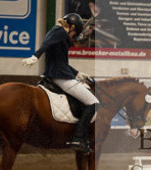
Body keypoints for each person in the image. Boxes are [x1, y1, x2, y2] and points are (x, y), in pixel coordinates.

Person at [21, 12, 100, 153]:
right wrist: (35, 56)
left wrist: (78, 74)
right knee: (93, 104)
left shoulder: (59, 34)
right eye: (75, 33)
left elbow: (61, 62)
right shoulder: (59, 31)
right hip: (61, 78)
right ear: (72, 27)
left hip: (60, 74)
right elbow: (46, 44)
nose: (73, 37)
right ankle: (78, 138)